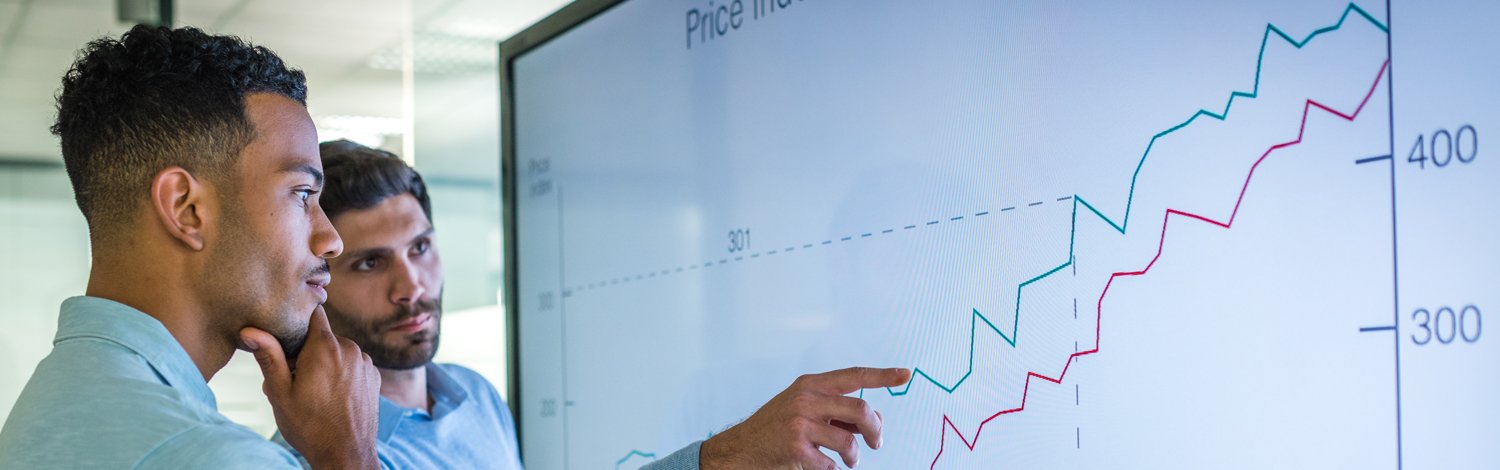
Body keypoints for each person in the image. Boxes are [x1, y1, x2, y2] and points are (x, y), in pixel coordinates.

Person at [298, 140, 914, 469]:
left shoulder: (474, 396)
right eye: (371, 263)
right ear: (320, 281)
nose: (412, 286)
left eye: (421, 247)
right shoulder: (319, 452)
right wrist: (725, 456)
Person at [0, 26, 384, 468]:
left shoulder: (60, 398)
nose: (331, 240)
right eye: (301, 194)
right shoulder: (213, 455)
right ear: (186, 209)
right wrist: (348, 453)